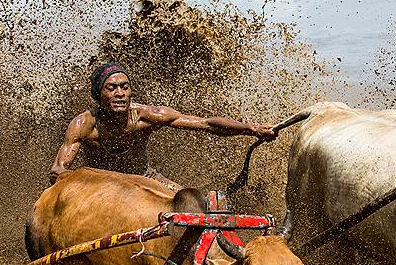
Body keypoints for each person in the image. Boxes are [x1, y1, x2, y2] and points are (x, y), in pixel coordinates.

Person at [49, 63, 276, 190]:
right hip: (102, 185)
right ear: (98, 95)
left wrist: (251, 129)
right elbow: (58, 171)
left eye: (124, 87)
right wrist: (85, 183)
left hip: (144, 177)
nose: (120, 94)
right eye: (111, 88)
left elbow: (206, 124)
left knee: (194, 206)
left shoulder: (147, 116)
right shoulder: (84, 125)